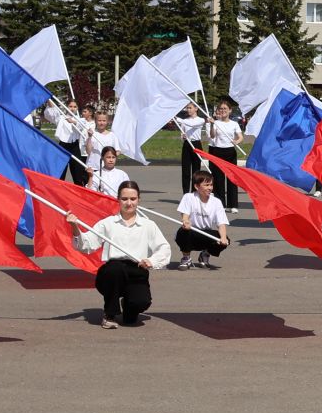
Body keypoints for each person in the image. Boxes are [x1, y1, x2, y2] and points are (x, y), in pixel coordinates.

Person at [71, 180, 170, 328]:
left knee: (138, 307)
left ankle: (128, 306)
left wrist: (151, 261)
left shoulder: (148, 225)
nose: (129, 203)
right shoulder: (108, 223)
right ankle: (109, 313)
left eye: (133, 199)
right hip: (112, 273)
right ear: (118, 199)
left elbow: (164, 248)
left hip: (137, 270)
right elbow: (87, 245)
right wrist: (75, 227)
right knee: (115, 269)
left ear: (138, 200)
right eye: (124, 199)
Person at [174, 171, 231, 269]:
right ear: (197, 186)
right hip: (191, 232)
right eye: (206, 185)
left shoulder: (216, 202)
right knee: (183, 231)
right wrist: (186, 222)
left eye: (211, 185)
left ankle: (205, 254)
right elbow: (185, 216)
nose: (210, 188)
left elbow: (221, 223)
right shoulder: (189, 197)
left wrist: (223, 238)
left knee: (225, 240)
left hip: (205, 234)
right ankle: (186, 258)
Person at [205, 101, 242, 211]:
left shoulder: (234, 124)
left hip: (230, 152)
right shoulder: (216, 123)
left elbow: (240, 137)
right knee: (218, 179)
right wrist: (212, 124)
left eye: (225, 108)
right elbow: (212, 135)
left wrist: (237, 141)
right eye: (221, 108)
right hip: (217, 151)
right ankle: (220, 204)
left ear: (230, 110)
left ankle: (233, 205)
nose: (223, 110)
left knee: (232, 179)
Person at [174, 102, 207, 194]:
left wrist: (177, 119)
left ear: (196, 109)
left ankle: (195, 192)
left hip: (196, 144)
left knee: (196, 170)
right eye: (187, 108)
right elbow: (182, 133)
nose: (188, 110)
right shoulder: (185, 121)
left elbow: (192, 125)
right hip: (187, 144)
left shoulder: (200, 120)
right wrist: (183, 137)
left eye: (190, 108)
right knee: (185, 170)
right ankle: (185, 193)